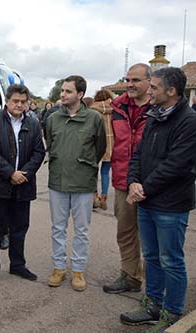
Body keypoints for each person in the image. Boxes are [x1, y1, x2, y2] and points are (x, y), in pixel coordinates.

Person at [120, 67, 196, 333]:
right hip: (147, 201)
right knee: (151, 256)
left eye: (153, 87)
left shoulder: (189, 121)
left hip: (171, 206)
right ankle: (152, 304)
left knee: (171, 260)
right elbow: (139, 154)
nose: (148, 91)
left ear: (171, 91)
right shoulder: (153, 115)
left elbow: (177, 164)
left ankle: (172, 312)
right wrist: (132, 181)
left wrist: (143, 188)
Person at [45, 75, 106, 292]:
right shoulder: (52, 119)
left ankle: (78, 269)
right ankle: (59, 267)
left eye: (68, 91)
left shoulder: (94, 119)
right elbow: (50, 144)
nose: (63, 95)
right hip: (57, 182)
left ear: (80, 94)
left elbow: (100, 148)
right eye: (62, 91)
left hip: (83, 183)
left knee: (81, 230)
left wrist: (85, 166)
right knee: (57, 228)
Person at [0, 84, 45, 285]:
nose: (19, 105)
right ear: (7, 101)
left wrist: (23, 174)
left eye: (23, 102)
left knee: (19, 227)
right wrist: (10, 173)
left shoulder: (33, 124)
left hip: (23, 185)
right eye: (15, 101)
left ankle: (17, 265)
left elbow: (39, 152)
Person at [102, 63, 152, 294]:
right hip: (123, 181)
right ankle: (131, 276)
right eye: (128, 80)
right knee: (125, 231)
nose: (130, 84)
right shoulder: (118, 107)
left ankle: (156, 287)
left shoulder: (159, 107)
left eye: (136, 80)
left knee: (154, 236)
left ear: (149, 82)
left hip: (154, 183)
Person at [91, 89, 115, 210]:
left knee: (93, 172)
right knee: (105, 173)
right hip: (111, 145)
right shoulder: (115, 109)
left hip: (98, 145)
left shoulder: (93, 109)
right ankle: (104, 198)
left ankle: (95, 197)